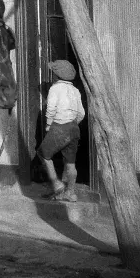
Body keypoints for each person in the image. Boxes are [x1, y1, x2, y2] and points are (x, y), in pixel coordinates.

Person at [37, 59, 85, 202]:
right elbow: (81, 113)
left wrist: (49, 125)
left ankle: (57, 184)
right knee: (70, 162)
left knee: (43, 154)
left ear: (56, 76)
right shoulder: (76, 91)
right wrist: (73, 124)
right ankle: (71, 193)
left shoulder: (55, 89)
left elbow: (51, 109)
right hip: (74, 129)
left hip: (60, 127)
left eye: (53, 73)